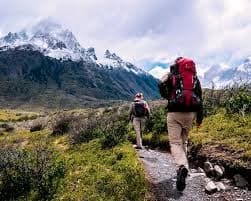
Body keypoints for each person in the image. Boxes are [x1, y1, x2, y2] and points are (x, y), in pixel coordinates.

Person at [159, 57, 203, 191]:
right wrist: (199, 119)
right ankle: (184, 168)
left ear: (176, 65)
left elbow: (160, 85)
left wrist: (168, 96)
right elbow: (200, 96)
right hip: (190, 114)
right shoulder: (194, 77)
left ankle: (182, 166)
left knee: (175, 143)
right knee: (184, 142)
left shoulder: (171, 75)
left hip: (174, 113)